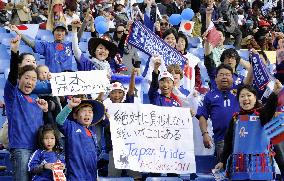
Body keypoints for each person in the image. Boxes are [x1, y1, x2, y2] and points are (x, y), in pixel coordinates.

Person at [214, 81, 283, 180]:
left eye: (248, 95)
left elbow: (270, 107)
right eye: (242, 96)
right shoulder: (235, 118)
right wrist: (222, 161)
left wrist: (275, 93)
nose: (245, 98)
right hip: (239, 166)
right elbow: (228, 142)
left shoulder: (263, 115)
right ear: (238, 100)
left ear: (255, 98)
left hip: (260, 166)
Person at [4, 35, 48, 181]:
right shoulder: (13, 94)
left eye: (34, 79)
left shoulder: (37, 101)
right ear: (19, 79)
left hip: (38, 150)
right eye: (27, 77)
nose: (30, 81)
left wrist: (47, 109)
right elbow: (11, 76)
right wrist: (15, 52)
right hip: (21, 149)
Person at [196, 64, 240, 161]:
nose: (224, 77)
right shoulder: (208, 96)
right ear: (215, 78)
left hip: (241, 139)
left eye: (228, 75)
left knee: (240, 170)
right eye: (221, 74)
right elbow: (202, 116)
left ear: (233, 78)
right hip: (221, 140)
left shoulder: (240, 93)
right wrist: (205, 134)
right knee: (225, 170)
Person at [55, 97, 105, 180]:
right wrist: (70, 106)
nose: (87, 114)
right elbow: (59, 120)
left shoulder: (93, 134)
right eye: (84, 111)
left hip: (91, 177)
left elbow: (95, 157)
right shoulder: (71, 127)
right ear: (75, 115)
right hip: (76, 176)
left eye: (90, 111)